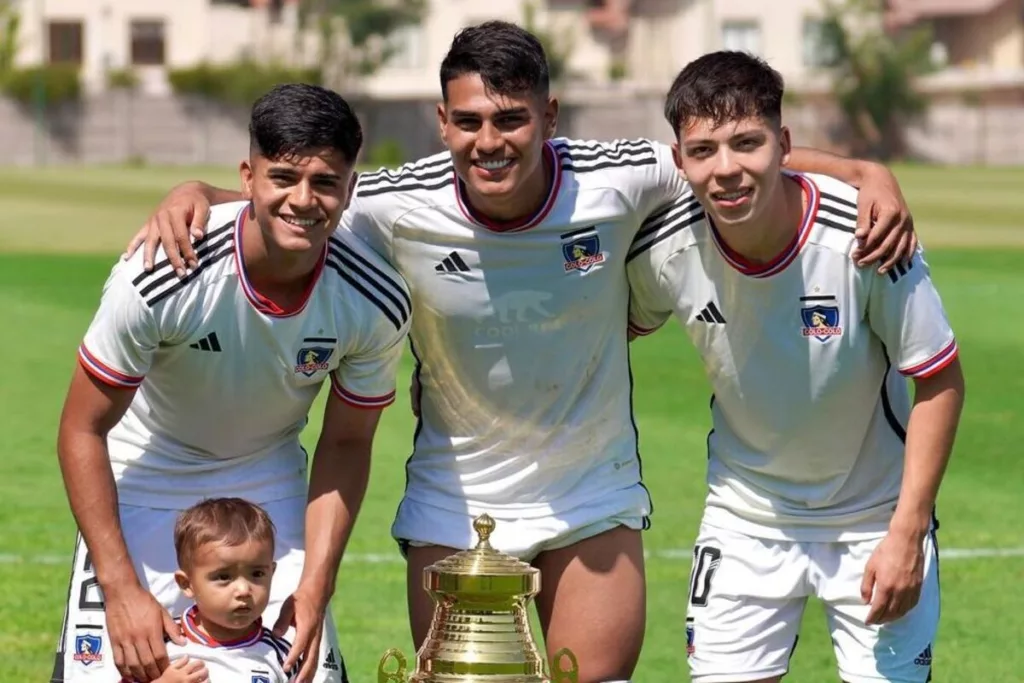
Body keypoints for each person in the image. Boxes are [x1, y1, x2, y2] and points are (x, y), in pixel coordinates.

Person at [122, 23, 919, 683]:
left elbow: (727, 162)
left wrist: (862, 170)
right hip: (453, 497)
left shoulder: (620, 178)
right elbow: (298, 196)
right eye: (469, 122)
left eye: (511, 120)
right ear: (442, 123)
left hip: (590, 494)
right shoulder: (398, 202)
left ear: (550, 114)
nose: (489, 141)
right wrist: (194, 193)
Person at [626, 51, 965, 683]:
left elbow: (939, 378)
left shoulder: (867, 237)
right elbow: (604, 330)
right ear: (680, 162)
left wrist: (908, 532)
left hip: (873, 521)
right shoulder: (666, 245)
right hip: (745, 519)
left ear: (784, 143)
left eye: (747, 143)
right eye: (703, 151)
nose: (726, 169)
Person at [54, 84, 410, 683]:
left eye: (325, 183)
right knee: (127, 666)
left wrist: (316, 581)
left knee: (302, 669)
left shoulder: (374, 300)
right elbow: (81, 429)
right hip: (146, 474)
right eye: (284, 177)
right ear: (249, 176)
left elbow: (347, 443)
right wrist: (119, 585)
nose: (304, 200)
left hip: (267, 480)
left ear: (350, 188)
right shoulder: (162, 272)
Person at [141, 498, 308, 683]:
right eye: (224, 577)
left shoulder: (281, 655)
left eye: (257, 573)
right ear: (187, 584)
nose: (244, 590)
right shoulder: (163, 645)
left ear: (272, 573)